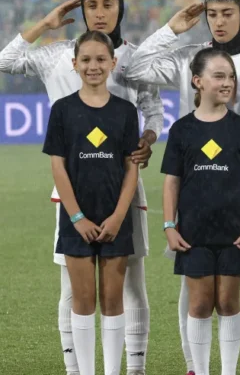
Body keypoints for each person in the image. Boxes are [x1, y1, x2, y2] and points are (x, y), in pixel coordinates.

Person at [125, 0, 240, 375]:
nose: (219, 22)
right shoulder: (190, 57)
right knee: (193, 281)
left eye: (227, 13)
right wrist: (171, 30)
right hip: (194, 190)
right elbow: (135, 69)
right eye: (212, 14)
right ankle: (194, 366)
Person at [0, 0, 161, 375]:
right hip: (72, 189)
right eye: (92, 5)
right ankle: (77, 369)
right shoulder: (55, 54)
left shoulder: (135, 59)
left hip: (122, 184)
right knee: (72, 289)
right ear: (82, 10)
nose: (101, 12)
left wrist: (148, 138)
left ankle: (134, 367)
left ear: (120, 9)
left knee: (130, 283)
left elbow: (153, 110)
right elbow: (4, 60)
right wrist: (45, 23)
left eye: (109, 4)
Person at [162, 48, 240, 375]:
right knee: (200, 303)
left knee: (228, 302)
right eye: (219, 76)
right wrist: (169, 225)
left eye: (231, 77)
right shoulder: (182, 130)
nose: (227, 83)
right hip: (193, 232)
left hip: (234, 231)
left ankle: (229, 371)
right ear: (198, 81)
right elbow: (171, 182)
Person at [43, 30, 141, 375]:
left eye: (101, 59)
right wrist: (77, 217)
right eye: (85, 59)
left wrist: (117, 217)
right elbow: (58, 166)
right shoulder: (63, 110)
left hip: (115, 219)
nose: (93, 66)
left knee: (112, 301)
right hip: (77, 220)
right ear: (74, 64)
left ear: (113, 62)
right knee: (83, 302)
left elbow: (132, 168)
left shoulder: (126, 112)